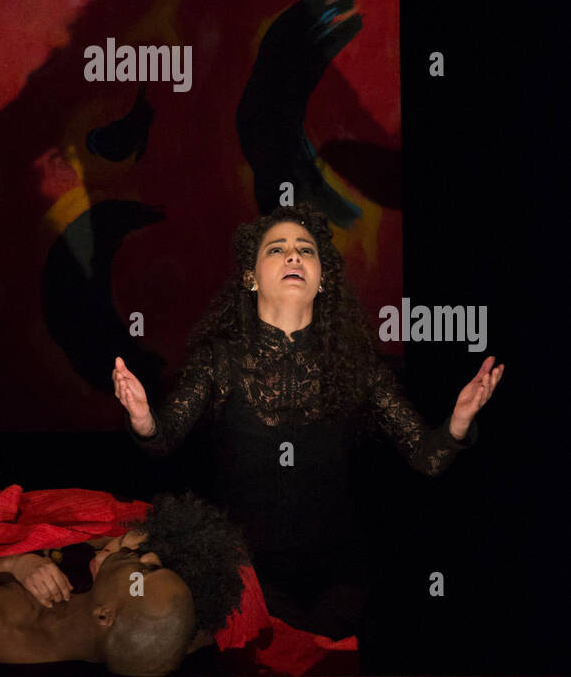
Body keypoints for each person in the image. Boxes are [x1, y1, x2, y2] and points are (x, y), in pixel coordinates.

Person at [113, 201, 504, 642]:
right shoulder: (218, 361)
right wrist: (144, 419)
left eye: (306, 250)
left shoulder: (357, 365)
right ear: (250, 276)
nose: (294, 256)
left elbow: (428, 458)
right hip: (248, 577)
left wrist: (458, 421)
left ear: (322, 280)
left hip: (338, 578)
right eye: (276, 250)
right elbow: (162, 439)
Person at [0, 491, 249, 677]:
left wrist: (13, 560)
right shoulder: (125, 631)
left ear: (105, 614)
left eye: (149, 571)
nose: (151, 558)